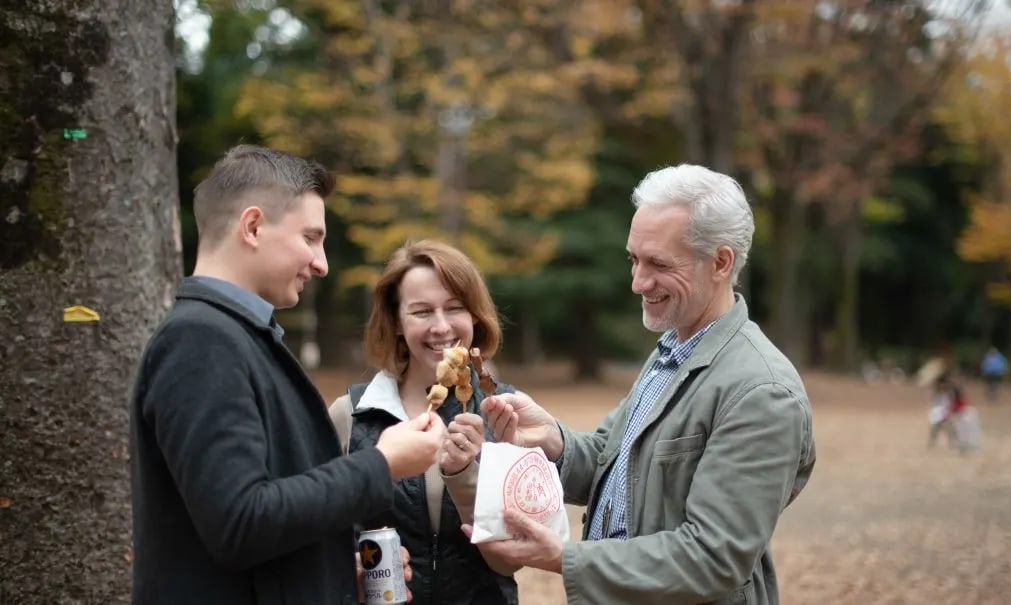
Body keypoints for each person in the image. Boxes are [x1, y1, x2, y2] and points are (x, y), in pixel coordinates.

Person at [469, 164, 816, 605]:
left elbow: (713, 559)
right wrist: (550, 441)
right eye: (634, 259)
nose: (637, 282)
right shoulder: (672, 351)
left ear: (721, 262)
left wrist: (566, 558)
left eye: (659, 264)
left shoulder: (762, 393)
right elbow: (615, 466)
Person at [129, 145, 446, 605]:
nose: (322, 263)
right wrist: (380, 464)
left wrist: (332, 574)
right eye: (311, 238)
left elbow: (262, 514)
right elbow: (241, 521)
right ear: (253, 227)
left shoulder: (237, 337)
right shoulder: (201, 342)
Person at [327, 240, 520, 603]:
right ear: (396, 321)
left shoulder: (504, 411)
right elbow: (312, 532)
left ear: (474, 315)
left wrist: (466, 475)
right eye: (421, 312)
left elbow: (510, 561)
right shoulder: (349, 416)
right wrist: (344, 564)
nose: (442, 326)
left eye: (455, 307)